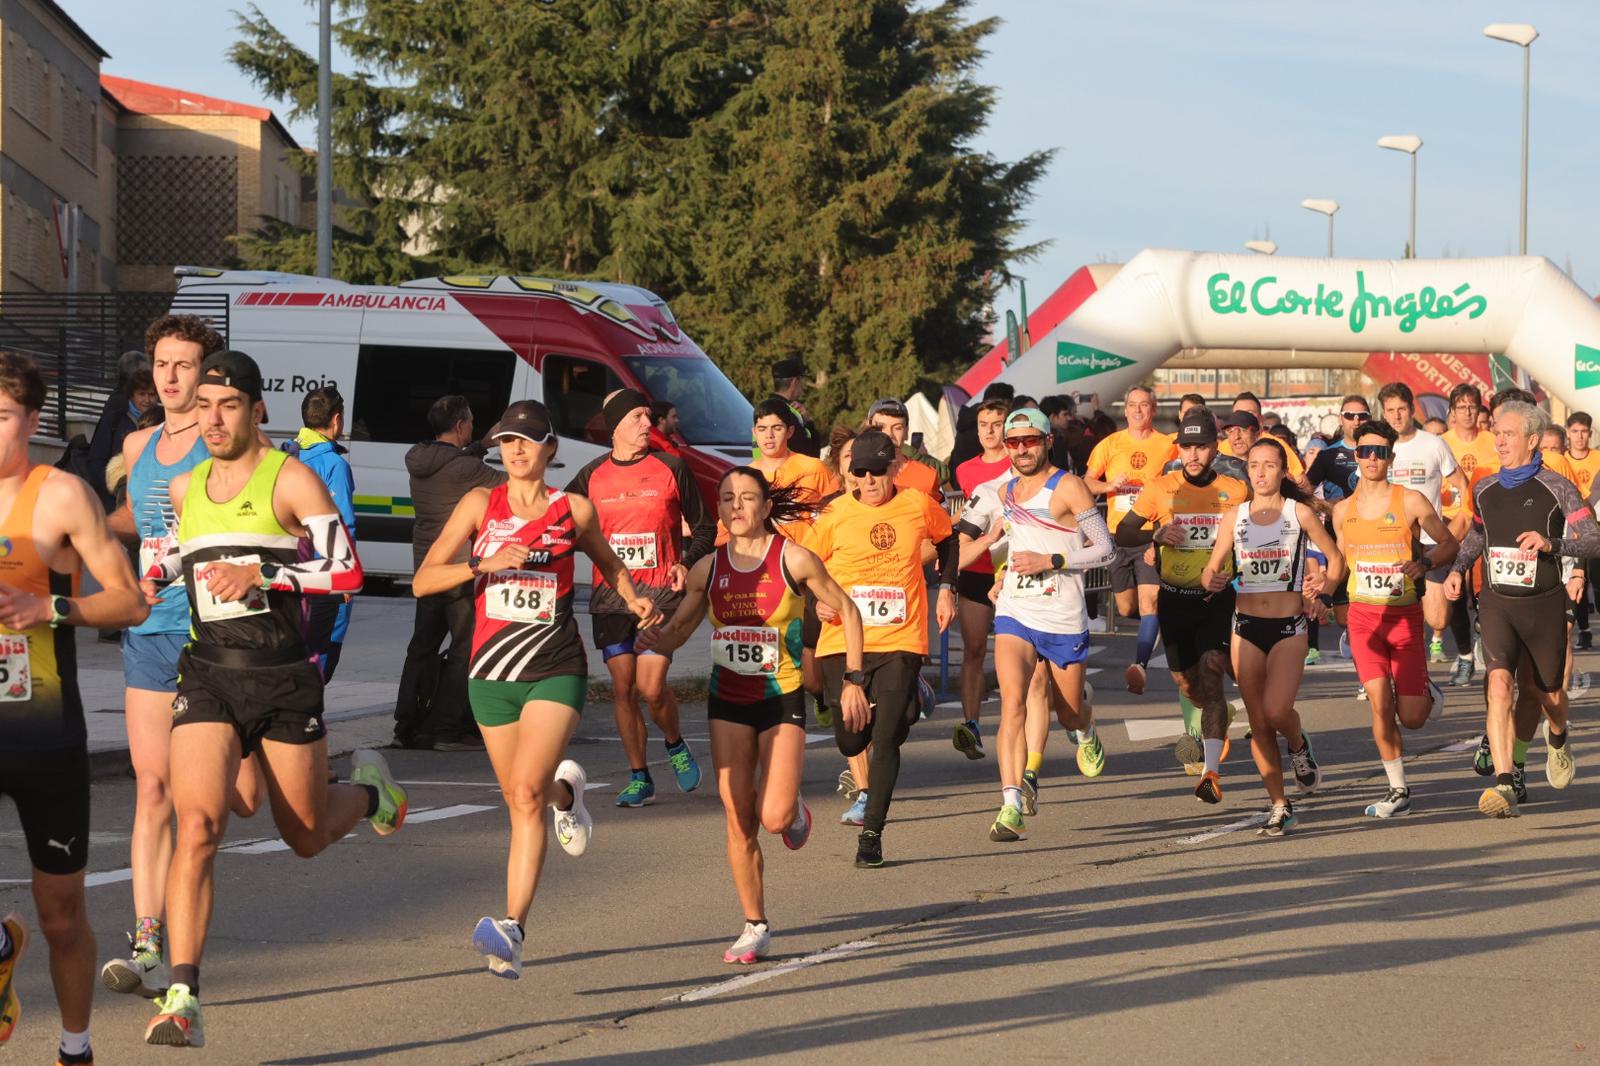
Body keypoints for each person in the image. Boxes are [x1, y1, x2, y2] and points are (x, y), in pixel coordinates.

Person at [142, 350, 406, 1047]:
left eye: (227, 406)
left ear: (258, 410)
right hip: (207, 672)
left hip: (283, 674)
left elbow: (345, 570)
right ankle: (183, 995)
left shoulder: (289, 479)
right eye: (203, 406)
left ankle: (370, 794)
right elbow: (188, 550)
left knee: (306, 837)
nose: (213, 419)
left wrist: (261, 568)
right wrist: (159, 568)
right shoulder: (186, 485)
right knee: (197, 825)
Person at [412, 399, 655, 978]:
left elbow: (609, 563)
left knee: (524, 793)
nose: (514, 451)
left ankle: (513, 929)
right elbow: (424, 579)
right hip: (491, 674)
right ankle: (567, 796)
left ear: (550, 448)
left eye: (526, 441)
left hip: (554, 666)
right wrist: (484, 565)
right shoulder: (479, 504)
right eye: (505, 442)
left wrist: (633, 597)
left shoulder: (574, 509)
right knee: (525, 797)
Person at [638, 468, 868, 963]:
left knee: (774, 815)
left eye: (746, 498)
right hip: (728, 702)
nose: (736, 506)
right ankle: (755, 924)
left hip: (780, 700)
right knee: (738, 817)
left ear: (766, 506)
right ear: (719, 510)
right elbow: (680, 628)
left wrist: (853, 679)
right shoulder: (707, 569)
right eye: (726, 499)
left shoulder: (795, 559)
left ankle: (792, 809)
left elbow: (849, 611)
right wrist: (653, 639)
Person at [0, 351, 150, 1066]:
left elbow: (129, 598)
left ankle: (75, 1048)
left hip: (44, 737)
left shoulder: (60, 495)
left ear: (31, 419)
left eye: (1, 417)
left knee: (62, 920)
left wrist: (51, 605)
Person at [101, 314, 240, 1002]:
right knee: (153, 788)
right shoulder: (135, 442)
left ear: (208, 373)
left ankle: (360, 791)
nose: (171, 376)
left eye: (184, 364)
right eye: (162, 363)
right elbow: (141, 522)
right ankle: (148, 937)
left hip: (218, 635)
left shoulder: (229, 443)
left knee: (239, 800)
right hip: (153, 630)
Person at [806, 429, 957, 867]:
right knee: (850, 737)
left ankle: (871, 835)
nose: (869, 481)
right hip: (843, 640)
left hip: (900, 638)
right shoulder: (833, 515)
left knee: (887, 736)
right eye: (860, 473)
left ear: (894, 468)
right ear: (850, 474)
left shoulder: (916, 504)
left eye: (877, 471)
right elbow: (803, 569)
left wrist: (946, 588)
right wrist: (814, 600)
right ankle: (912, 696)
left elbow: (948, 540)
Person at [961, 408, 1113, 841]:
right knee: (1013, 703)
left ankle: (1085, 726)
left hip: (1063, 616)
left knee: (1065, 713)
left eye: (1030, 440)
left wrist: (1052, 561)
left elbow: (1105, 549)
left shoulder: (1068, 486)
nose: (1022, 449)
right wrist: (1000, 577)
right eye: (1014, 443)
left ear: (1047, 441)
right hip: (1016, 611)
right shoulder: (1004, 492)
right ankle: (1010, 806)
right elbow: (1013, 543)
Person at [1447, 400, 1600, 818]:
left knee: (1547, 694)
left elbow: (1593, 540)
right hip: (1497, 602)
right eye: (1496, 432)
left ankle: (1558, 734)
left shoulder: (1558, 487)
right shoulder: (1484, 488)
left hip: (1544, 606)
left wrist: (1553, 545)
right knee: (1498, 686)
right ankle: (1504, 782)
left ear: (1533, 440)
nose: (1498, 439)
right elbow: (1479, 536)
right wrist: (1459, 567)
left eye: (1508, 433)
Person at [567, 389, 714, 807]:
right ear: (615, 426)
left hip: (661, 595)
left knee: (651, 687)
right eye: (637, 417)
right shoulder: (591, 475)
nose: (648, 424)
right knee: (622, 689)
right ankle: (639, 776)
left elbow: (705, 528)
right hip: (612, 599)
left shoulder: (671, 467)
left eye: (649, 416)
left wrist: (687, 560)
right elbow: (559, 522)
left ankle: (674, 742)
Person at [1203, 437, 1343, 835]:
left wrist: (1326, 595)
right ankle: (1280, 804)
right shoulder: (1235, 516)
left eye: (1269, 465)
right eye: (1254, 466)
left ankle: (1299, 745)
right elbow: (1211, 569)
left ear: (1283, 472)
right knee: (1259, 723)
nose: (1261, 473)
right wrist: (1211, 579)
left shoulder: (1299, 513)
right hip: (1245, 627)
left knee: (1277, 712)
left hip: (1288, 627)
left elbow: (1336, 559)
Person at [1118, 410, 1250, 802]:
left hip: (1216, 598)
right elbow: (1124, 532)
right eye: (1187, 447)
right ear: (1179, 447)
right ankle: (1217, 714)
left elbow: (1251, 539)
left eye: (1202, 446)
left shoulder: (1235, 490)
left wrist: (1237, 573)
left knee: (1212, 672)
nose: (1194, 455)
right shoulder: (1160, 488)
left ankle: (1211, 772)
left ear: (1215, 447)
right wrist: (1155, 533)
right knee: (1187, 684)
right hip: (1174, 598)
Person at [1333, 419, 1454, 819]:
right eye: (1365, 451)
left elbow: (1449, 543)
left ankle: (1425, 688)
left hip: (1404, 618)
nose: (1371, 458)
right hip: (1364, 619)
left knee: (1414, 718)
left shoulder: (1412, 501)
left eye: (1379, 452)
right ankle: (1398, 789)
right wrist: (1321, 589)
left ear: (1391, 456)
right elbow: (1339, 566)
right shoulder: (1341, 511)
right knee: (1380, 704)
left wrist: (1424, 563)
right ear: (1356, 455)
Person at [394, 395, 506, 751]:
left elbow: (453, 461)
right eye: (470, 422)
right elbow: (512, 485)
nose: (472, 426)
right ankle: (445, 729)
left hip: (427, 568)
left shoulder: (418, 458)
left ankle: (406, 725)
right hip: (458, 570)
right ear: (460, 425)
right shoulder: (466, 469)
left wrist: (480, 444)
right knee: (465, 649)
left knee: (422, 647)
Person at [1084, 385, 1177, 696]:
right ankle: (1160, 616)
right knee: (1126, 608)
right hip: (1117, 534)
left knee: (1148, 602)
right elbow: (1086, 482)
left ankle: (1139, 666)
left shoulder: (1167, 446)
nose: (1138, 411)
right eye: (1133, 405)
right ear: (1124, 410)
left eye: (1144, 405)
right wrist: (1109, 484)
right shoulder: (1110, 444)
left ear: (1153, 409)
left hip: (1150, 534)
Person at [1378, 383, 1467, 668]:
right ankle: (1385, 673)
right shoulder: (1377, 447)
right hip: (1388, 540)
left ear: (1411, 409)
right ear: (1383, 413)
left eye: (1401, 409)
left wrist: (1460, 528)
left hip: (1430, 540)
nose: (1396, 416)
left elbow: (1463, 486)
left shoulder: (1433, 443)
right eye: (1390, 411)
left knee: (1437, 618)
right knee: (1390, 614)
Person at [280, 387, 356, 681]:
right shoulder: (334, 464)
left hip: (288, 569)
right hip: (323, 577)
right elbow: (342, 523)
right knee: (322, 655)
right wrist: (345, 574)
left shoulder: (283, 454)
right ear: (337, 420)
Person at [950, 398, 1012, 759]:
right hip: (976, 569)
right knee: (974, 649)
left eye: (997, 423)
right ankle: (971, 724)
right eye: (983, 424)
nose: (990, 431)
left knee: (1019, 655)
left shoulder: (1020, 462)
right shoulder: (965, 470)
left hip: (1013, 568)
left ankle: (1016, 719)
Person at [1304, 395, 1370, 666]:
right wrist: (1329, 505)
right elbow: (1304, 494)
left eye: (1362, 415)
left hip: (1374, 541)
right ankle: (1359, 645)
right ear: (1340, 418)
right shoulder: (1329, 456)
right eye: (1349, 415)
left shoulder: (1380, 450)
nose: (1356, 421)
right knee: (1344, 617)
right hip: (1340, 543)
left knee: (1373, 608)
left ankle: (1371, 673)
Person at [1441, 384, 1495, 685]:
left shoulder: (1492, 441)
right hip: (1450, 526)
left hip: (1483, 525)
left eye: (1473, 405)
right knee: (1454, 598)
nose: (1468, 411)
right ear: (1452, 412)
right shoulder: (1441, 443)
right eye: (1461, 406)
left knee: (1484, 595)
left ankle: (1483, 641)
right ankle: (1463, 655)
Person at [87, 350, 153, 510]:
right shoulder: (116, 415)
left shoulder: (161, 420)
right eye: (142, 394)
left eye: (151, 395)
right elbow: (96, 460)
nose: (147, 400)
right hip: (114, 500)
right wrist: (115, 490)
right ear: (132, 394)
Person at [748, 399, 833, 511]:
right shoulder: (744, 478)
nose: (769, 435)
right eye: (762, 429)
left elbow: (837, 514)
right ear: (754, 432)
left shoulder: (814, 470)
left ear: (790, 432)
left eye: (777, 428)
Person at [1566, 412, 1600, 649]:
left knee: (1596, 580)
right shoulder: (1561, 460)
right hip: (1571, 528)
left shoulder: (1598, 458)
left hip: (1595, 526)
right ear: (1568, 432)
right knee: (1576, 577)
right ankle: (1584, 629)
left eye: (1584, 431)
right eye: (1575, 431)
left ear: (1590, 433)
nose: (1579, 436)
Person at [866, 398, 947, 497]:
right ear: (868, 429)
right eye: (881, 427)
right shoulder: (856, 472)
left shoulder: (926, 477)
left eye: (897, 428)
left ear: (906, 432)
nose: (889, 434)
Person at [948, 382, 1015, 472]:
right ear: (1005, 403)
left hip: (958, 474)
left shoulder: (969, 418)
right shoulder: (982, 426)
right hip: (975, 477)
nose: (989, 430)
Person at [766, 358, 821, 457]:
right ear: (795, 381)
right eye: (802, 380)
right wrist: (808, 421)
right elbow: (811, 453)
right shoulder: (789, 413)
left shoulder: (763, 410)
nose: (803, 385)